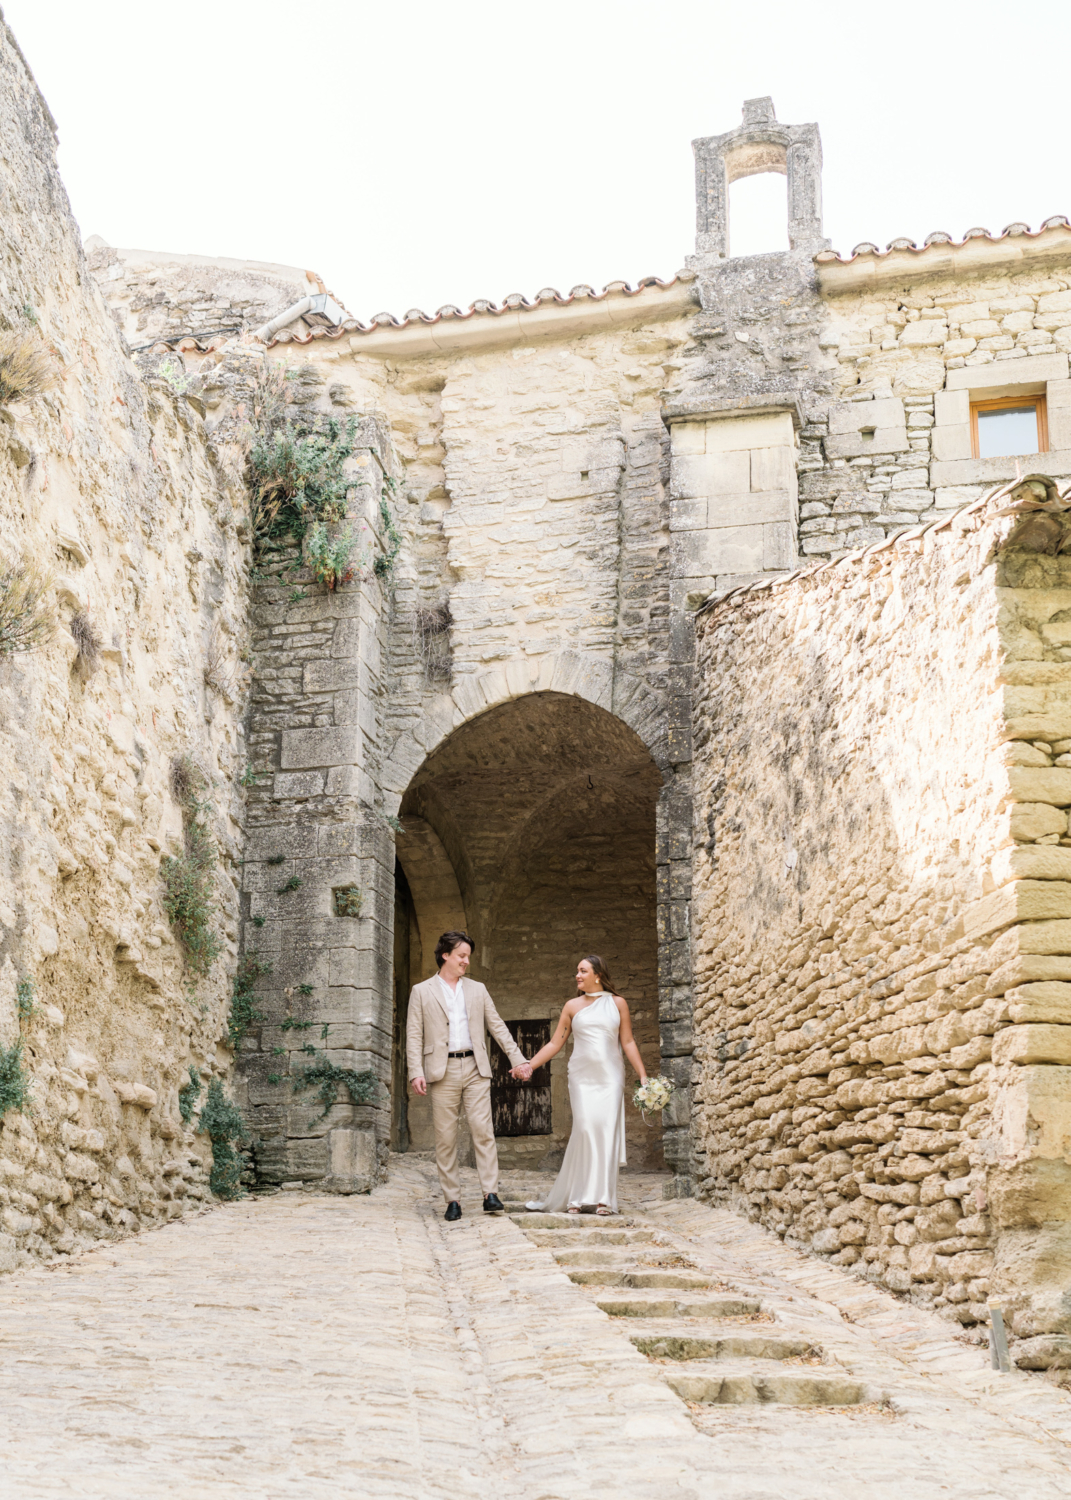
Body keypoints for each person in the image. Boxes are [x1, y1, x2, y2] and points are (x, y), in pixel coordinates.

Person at [406, 930, 531, 1222]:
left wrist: (519, 1059)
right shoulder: (421, 991)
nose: (466, 961)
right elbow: (413, 1035)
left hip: (476, 1068)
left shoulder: (477, 989)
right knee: (446, 1139)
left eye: (468, 957)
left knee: (483, 1131)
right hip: (441, 1071)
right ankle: (452, 1200)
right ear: (445, 955)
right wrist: (415, 1072)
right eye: (461, 955)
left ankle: (490, 1194)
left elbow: (497, 1027)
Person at [517, 955, 647, 1216]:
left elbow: (629, 1041)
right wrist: (529, 1065)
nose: (577, 975)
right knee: (585, 1128)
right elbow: (556, 1043)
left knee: (606, 1131)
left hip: (610, 1076)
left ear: (597, 975)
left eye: (582, 971)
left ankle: (604, 1199)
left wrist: (642, 1075)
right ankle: (576, 1196)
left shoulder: (618, 1003)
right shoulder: (572, 1006)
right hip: (582, 1076)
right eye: (577, 971)